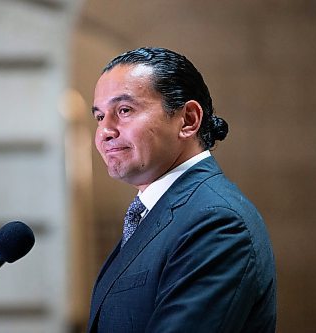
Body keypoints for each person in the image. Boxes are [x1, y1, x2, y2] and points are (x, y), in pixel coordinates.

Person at [87, 47, 276, 333]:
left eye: (124, 110)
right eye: (100, 117)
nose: (105, 131)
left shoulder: (218, 222)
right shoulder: (156, 213)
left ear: (188, 119)